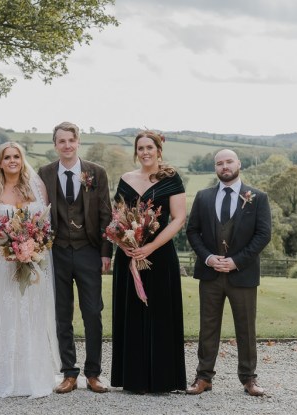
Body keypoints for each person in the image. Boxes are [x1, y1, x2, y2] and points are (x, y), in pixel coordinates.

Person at [0, 142, 61, 398]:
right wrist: (10, 247)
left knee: (29, 315)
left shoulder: (36, 187)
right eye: (7, 157)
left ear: (22, 158)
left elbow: (44, 226)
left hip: (32, 262)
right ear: (0, 162)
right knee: (4, 315)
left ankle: (29, 375)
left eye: (16, 156)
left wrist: (31, 248)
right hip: (1, 263)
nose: (12, 161)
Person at [186, 149, 271, 397]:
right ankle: (203, 378)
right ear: (215, 168)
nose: (224, 166)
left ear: (239, 164)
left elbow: (263, 235)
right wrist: (209, 258)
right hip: (210, 274)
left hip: (242, 275)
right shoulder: (203, 197)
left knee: (246, 328)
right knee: (208, 327)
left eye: (229, 162)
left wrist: (236, 261)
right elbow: (193, 232)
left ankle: (249, 379)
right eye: (219, 163)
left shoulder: (258, 197)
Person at [38, 121, 112, 394]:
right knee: (62, 314)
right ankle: (69, 373)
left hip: (89, 251)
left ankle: (94, 373)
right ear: (55, 144)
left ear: (78, 142)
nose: (67, 145)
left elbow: (106, 214)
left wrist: (106, 253)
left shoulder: (96, 172)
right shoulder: (44, 173)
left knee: (93, 312)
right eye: (61, 141)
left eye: (71, 140)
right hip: (55, 253)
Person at [110, 130, 187, 393]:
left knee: (160, 313)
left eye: (149, 148)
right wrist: (126, 245)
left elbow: (178, 218)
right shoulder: (125, 179)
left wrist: (151, 247)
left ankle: (162, 379)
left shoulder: (171, 178)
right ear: (136, 151)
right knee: (131, 312)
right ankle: (132, 379)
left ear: (158, 150)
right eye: (140, 148)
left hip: (160, 255)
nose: (145, 152)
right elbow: (116, 219)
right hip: (128, 256)